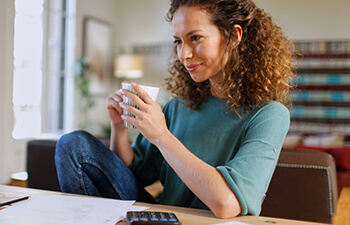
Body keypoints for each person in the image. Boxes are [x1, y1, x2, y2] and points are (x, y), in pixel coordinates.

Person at [55, 0, 297, 219]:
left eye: (195, 38)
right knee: (73, 145)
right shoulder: (177, 107)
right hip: (163, 217)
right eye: (178, 41)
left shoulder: (269, 115)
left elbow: (226, 204)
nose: (184, 54)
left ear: (234, 36)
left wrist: (161, 136)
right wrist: (119, 127)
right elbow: (133, 174)